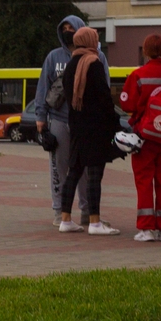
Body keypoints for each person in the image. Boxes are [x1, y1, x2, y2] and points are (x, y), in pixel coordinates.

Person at [34, 15, 109, 226]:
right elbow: (43, 87)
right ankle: (59, 212)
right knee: (59, 167)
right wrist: (40, 117)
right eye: (64, 28)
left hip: (85, 121)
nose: (68, 31)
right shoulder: (53, 57)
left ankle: (87, 211)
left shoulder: (98, 57)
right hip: (59, 119)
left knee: (85, 169)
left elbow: (104, 86)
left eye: (71, 28)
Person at [58, 26, 122, 235]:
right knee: (94, 175)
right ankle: (94, 222)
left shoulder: (70, 65)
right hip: (95, 128)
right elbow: (104, 97)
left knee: (73, 173)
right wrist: (115, 122)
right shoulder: (94, 63)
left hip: (76, 126)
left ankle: (65, 219)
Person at [120, 35, 161, 241]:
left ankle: (146, 229)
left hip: (143, 136)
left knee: (144, 181)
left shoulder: (138, 75)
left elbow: (127, 104)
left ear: (145, 51)